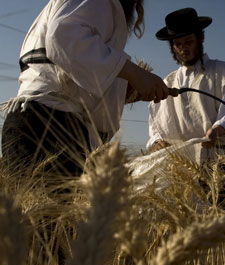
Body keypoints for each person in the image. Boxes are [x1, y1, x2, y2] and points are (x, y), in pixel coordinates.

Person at [1, 0, 170, 179]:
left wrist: (127, 89)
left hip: (34, 121)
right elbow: (63, 37)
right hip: (49, 127)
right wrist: (135, 73)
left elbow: (71, 67)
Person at [147, 7, 225, 171]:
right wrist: (157, 142)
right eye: (178, 44)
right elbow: (156, 124)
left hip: (219, 165)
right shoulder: (166, 83)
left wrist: (217, 130)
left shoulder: (224, 74)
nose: (183, 48)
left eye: (188, 42)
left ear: (200, 39)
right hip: (181, 169)